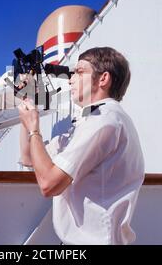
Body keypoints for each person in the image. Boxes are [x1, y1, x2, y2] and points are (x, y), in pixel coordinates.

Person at [18, 46, 145, 245]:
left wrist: (34, 127)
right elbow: (28, 158)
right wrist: (28, 105)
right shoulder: (94, 121)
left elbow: (48, 183)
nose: (70, 79)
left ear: (103, 79)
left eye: (79, 72)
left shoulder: (104, 120)